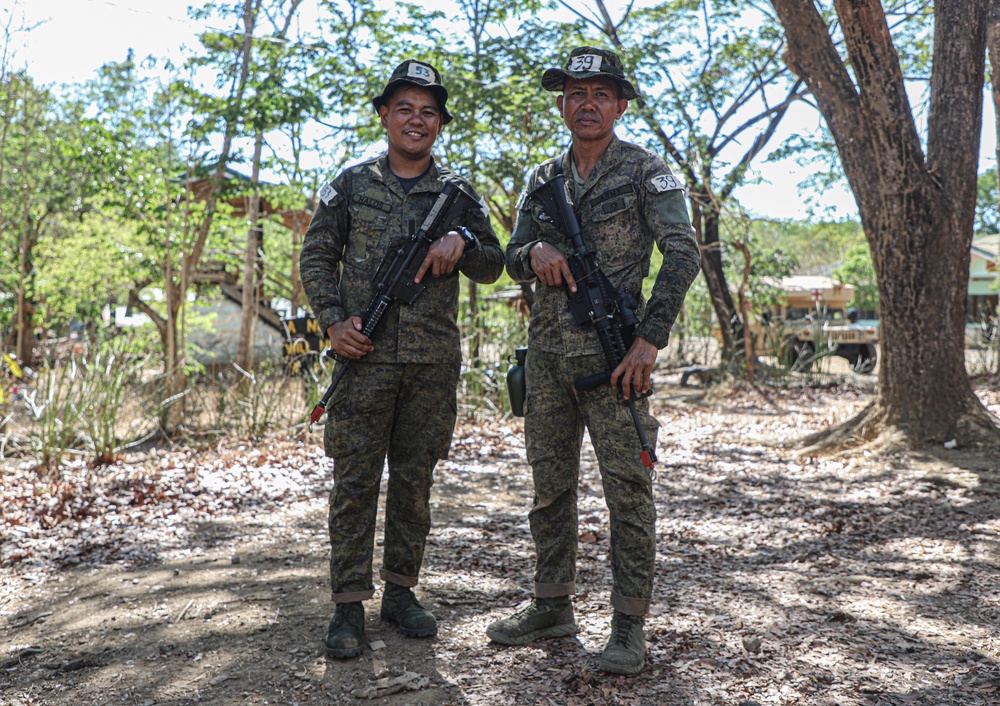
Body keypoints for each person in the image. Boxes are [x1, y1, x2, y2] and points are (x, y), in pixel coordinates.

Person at [487, 47, 701, 675]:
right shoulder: (543, 178)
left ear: (620, 105)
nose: (587, 103)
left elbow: (681, 254)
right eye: (576, 93)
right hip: (549, 357)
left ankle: (629, 627)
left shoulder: (646, 171)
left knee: (628, 493)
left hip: (617, 362)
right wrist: (536, 255)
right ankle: (551, 605)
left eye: (601, 93)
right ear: (562, 104)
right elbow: (510, 251)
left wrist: (649, 341)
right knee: (549, 489)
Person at [300, 59, 504, 659]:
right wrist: (333, 323)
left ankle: (401, 593)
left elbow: (494, 263)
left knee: (415, 481)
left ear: (440, 124)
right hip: (362, 358)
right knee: (355, 482)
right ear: (385, 115)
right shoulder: (351, 183)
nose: (417, 120)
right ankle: (347, 606)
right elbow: (316, 256)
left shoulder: (459, 194)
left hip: (430, 363)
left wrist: (462, 241)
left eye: (429, 112)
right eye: (406, 109)